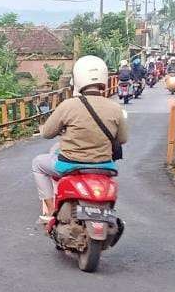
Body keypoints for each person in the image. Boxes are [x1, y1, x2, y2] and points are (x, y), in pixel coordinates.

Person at [32, 56, 130, 221]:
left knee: (38, 163)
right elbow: (123, 139)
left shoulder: (68, 105)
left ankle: (50, 211)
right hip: (104, 165)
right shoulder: (115, 108)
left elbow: (47, 133)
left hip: (70, 164)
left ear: (77, 78)